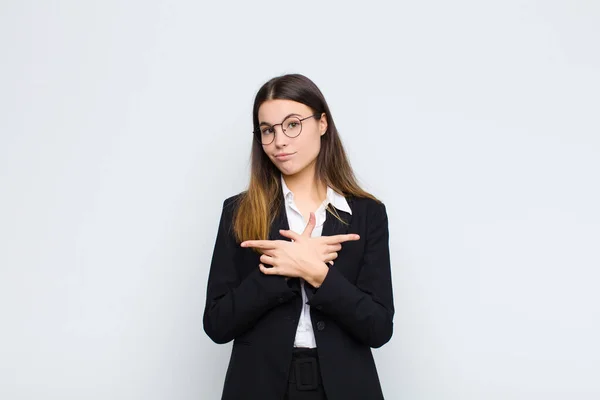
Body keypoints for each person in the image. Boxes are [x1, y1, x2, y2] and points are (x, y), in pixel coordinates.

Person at [203, 73, 394, 400]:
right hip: (258, 384)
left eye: (292, 124)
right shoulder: (238, 211)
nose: (279, 141)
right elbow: (217, 324)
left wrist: (317, 273)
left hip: (345, 386)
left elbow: (378, 328)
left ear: (322, 124)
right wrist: (279, 272)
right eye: (267, 130)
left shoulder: (367, 214)